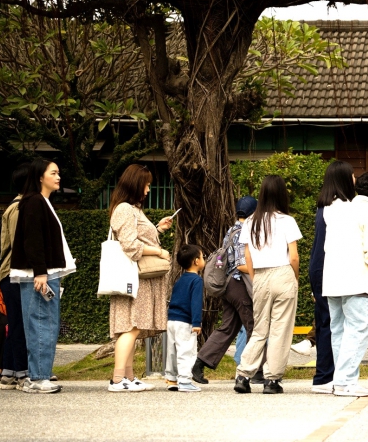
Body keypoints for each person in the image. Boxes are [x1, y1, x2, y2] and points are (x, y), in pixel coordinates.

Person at [9, 159, 76, 394]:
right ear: (40, 177)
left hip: (45, 273)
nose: (58, 177)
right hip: (39, 275)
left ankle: (40, 375)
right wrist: (40, 271)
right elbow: (32, 239)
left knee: (46, 324)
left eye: (58, 173)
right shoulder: (34, 201)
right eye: (53, 173)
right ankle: (37, 378)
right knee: (41, 325)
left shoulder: (41, 201)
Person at [322, 172, 368, 397]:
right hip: (357, 279)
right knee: (360, 327)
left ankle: (341, 380)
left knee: (339, 331)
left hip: (333, 279)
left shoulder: (339, 208)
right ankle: (345, 381)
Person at [234, 175, 302, 395]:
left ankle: (243, 375)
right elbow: (294, 257)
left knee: (259, 329)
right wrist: (295, 278)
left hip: (260, 276)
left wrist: (256, 278)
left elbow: (247, 256)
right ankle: (271, 380)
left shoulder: (251, 221)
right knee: (280, 330)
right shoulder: (287, 221)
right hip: (283, 273)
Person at [107, 164, 172, 392]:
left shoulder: (132, 209)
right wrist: (159, 252)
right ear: (135, 184)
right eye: (146, 184)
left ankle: (128, 376)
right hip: (134, 280)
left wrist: (158, 229)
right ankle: (117, 380)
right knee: (131, 328)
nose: (148, 189)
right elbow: (130, 245)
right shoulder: (125, 209)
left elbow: (138, 238)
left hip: (138, 279)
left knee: (132, 328)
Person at [300, 160, 355, 394]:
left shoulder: (324, 207)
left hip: (318, 268)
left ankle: (324, 376)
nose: (355, 179)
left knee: (325, 323)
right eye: (352, 175)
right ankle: (325, 377)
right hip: (328, 268)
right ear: (344, 179)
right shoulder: (341, 208)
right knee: (332, 324)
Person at [191, 196, 257, 384]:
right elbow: (241, 264)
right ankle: (256, 371)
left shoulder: (231, 230)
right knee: (254, 327)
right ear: (253, 213)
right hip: (238, 284)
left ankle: (199, 363)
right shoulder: (245, 232)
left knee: (227, 327)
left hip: (228, 286)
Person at [0, 164, 28, 390]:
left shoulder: (18, 205)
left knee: (15, 322)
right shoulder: (18, 208)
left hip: (12, 272)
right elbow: (19, 245)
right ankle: (22, 372)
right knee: (19, 324)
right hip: (14, 272)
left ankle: (9, 372)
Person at [164, 244, 205, 392]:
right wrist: (196, 322)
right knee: (186, 351)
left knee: (172, 351)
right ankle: (185, 381)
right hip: (185, 322)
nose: (204, 260)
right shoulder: (197, 280)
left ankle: (171, 379)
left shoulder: (180, 279)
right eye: (203, 257)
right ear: (196, 261)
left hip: (172, 320)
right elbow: (196, 303)